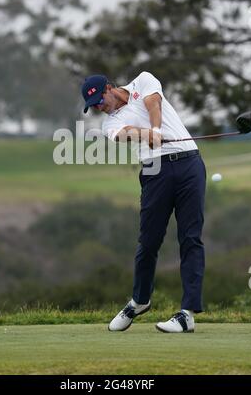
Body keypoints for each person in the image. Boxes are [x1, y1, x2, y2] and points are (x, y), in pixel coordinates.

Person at [81, 71, 206, 333]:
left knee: (191, 238)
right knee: (148, 242)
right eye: (94, 107)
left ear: (109, 88)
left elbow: (153, 103)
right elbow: (125, 133)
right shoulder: (109, 124)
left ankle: (187, 314)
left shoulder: (143, 81)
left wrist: (157, 129)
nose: (99, 108)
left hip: (189, 164)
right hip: (155, 172)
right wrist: (146, 135)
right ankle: (139, 301)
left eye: (99, 101)